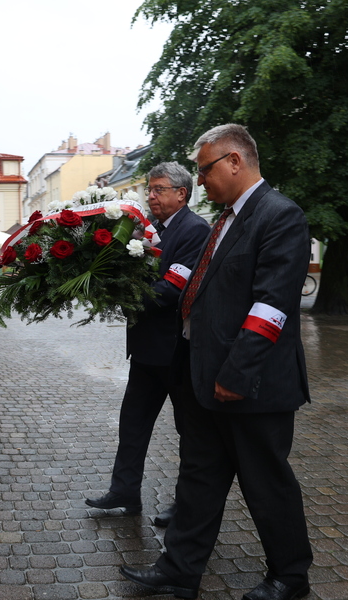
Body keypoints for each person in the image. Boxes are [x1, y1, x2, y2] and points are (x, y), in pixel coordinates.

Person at [120, 124, 313, 600]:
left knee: (266, 484)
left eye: (205, 169)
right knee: (199, 479)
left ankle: (290, 577)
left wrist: (236, 373)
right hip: (203, 379)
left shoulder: (279, 216)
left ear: (234, 161)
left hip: (250, 384)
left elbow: (271, 307)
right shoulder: (226, 218)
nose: (200, 180)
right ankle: (179, 570)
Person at [85, 162, 210, 526]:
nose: (150, 196)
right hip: (145, 351)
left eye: (158, 189)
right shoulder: (147, 229)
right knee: (133, 425)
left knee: (190, 432)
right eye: (150, 190)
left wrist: (119, 295)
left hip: (177, 352)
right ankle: (124, 492)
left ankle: (186, 505)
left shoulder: (194, 230)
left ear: (181, 194)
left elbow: (174, 289)